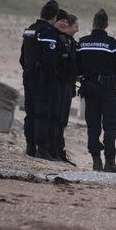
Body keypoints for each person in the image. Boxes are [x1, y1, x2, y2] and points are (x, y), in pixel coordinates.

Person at [76, 9, 116, 172]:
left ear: (93, 24)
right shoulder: (112, 43)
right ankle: (110, 163)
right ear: (106, 25)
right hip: (107, 90)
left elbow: (76, 66)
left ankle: (96, 161)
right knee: (110, 126)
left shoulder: (82, 42)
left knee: (93, 126)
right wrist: (114, 78)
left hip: (89, 89)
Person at [19, 0, 60, 160]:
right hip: (42, 79)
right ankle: (41, 149)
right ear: (54, 17)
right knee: (42, 114)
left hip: (28, 75)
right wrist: (50, 79)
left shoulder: (30, 30)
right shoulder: (48, 32)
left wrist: (28, 70)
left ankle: (30, 147)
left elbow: (22, 57)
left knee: (30, 113)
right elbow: (49, 60)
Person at [52, 10, 79, 164]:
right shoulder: (60, 41)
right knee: (57, 119)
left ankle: (58, 151)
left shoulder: (70, 42)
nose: (77, 29)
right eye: (75, 26)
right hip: (60, 85)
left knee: (62, 120)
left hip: (67, 85)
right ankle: (54, 150)